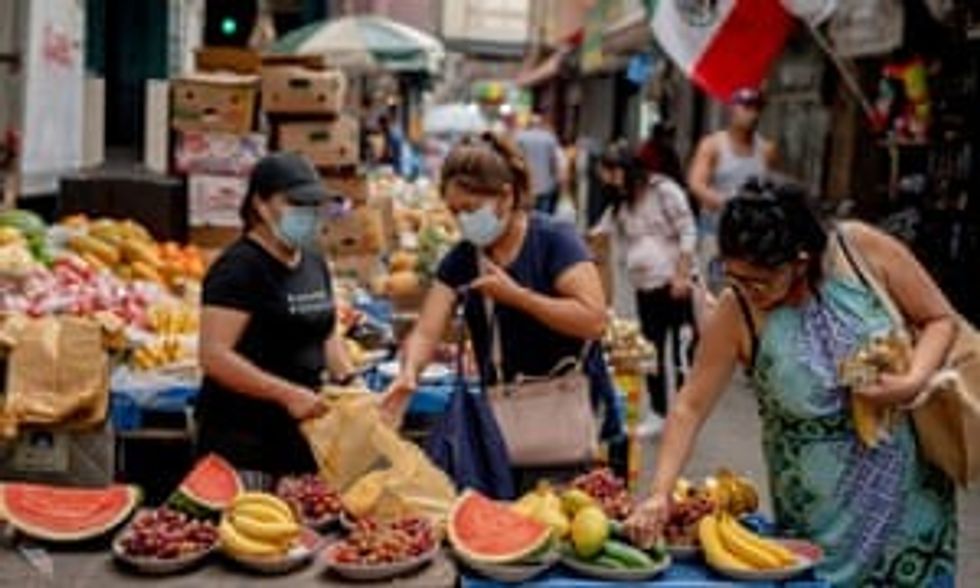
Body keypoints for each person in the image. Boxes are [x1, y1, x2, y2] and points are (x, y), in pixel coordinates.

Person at [625, 178, 958, 586]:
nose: (747, 290)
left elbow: (939, 318)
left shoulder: (860, 252)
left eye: (760, 281)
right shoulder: (738, 310)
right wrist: (660, 491)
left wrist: (912, 380)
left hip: (909, 507)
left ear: (800, 261)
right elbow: (690, 405)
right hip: (817, 523)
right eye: (734, 277)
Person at [381, 132, 620, 488]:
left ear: (506, 196)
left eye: (471, 210)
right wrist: (409, 372)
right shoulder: (464, 258)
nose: (462, 221)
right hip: (501, 419)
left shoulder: (554, 240)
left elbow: (594, 320)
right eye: (454, 211)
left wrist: (519, 297)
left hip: (560, 410)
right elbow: (428, 329)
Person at [196, 153, 358, 484]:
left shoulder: (313, 259)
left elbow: (325, 332)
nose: (308, 216)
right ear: (261, 204)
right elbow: (214, 355)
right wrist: (287, 394)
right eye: (296, 205)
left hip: (304, 442)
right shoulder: (238, 269)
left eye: (314, 206)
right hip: (246, 445)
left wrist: (352, 385)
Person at [593, 143, 697, 433]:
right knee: (651, 349)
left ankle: (685, 412)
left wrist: (682, 274)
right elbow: (600, 234)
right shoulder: (621, 203)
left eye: (612, 174)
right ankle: (659, 411)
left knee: (681, 350)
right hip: (645, 286)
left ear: (626, 170)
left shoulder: (663, 191)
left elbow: (687, 230)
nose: (609, 182)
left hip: (674, 284)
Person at [688, 88, 777, 291]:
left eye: (756, 108)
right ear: (732, 109)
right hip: (716, 232)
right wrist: (728, 202)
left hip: (752, 237)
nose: (751, 114)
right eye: (745, 107)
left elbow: (770, 187)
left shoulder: (766, 150)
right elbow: (696, 183)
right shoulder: (713, 146)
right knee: (713, 292)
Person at [515, 114, 563, 214]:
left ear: (529, 125)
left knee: (526, 214)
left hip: (527, 184)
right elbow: (554, 162)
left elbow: (516, 159)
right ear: (540, 125)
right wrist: (557, 180)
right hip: (546, 184)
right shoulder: (549, 138)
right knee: (543, 215)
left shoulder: (520, 138)